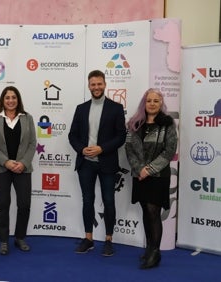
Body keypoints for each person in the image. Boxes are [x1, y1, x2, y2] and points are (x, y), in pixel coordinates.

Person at [68, 70, 126, 257]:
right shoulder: (81, 108)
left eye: (99, 84)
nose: (96, 87)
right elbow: (72, 135)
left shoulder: (116, 108)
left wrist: (102, 148)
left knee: (109, 201)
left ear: (105, 84)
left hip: (107, 163)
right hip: (85, 163)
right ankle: (88, 239)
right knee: (87, 201)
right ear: (89, 85)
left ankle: (109, 240)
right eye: (93, 84)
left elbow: (121, 136)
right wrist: (81, 149)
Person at [125, 88, 177, 269]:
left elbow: (169, 150)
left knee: (153, 212)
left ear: (161, 103)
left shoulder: (168, 124)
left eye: (156, 101)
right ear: (144, 103)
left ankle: (155, 252)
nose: (152, 104)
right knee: (145, 212)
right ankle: (149, 248)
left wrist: (150, 169)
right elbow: (129, 149)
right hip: (139, 176)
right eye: (149, 101)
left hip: (158, 176)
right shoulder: (134, 123)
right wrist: (140, 169)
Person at [0, 86, 36, 255]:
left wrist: (22, 163)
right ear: (3, 100)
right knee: (2, 205)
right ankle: (3, 240)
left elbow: (32, 144)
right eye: (7, 97)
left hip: (23, 168)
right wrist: (6, 162)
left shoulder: (27, 118)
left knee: (24, 204)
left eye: (13, 97)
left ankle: (20, 237)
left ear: (18, 99)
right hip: (1, 168)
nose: (10, 100)